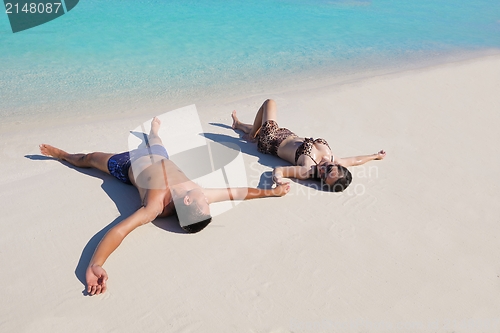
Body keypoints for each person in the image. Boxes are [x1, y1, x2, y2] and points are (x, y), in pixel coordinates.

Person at [40, 117, 290, 295]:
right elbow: (239, 192)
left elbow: (119, 230)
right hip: (161, 157)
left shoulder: (155, 206)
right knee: (156, 140)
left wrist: (96, 264)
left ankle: (62, 155)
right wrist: (272, 191)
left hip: (126, 166)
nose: (209, 199)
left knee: (89, 158)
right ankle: (153, 129)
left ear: (189, 202)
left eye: (205, 203)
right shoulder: (198, 194)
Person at [231, 99, 386, 191]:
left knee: (269, 103)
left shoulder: (307, 170)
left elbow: (279, 170)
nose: (323, 170)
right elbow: (354, 161)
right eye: (329, 169)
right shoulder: (334, 158)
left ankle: (251, 136)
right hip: (287, 134)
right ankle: (238, 124)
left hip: (270, 140)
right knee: (257, 127)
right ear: (337, 166)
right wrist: (375, 156)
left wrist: (277, 180)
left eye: (323, 176)